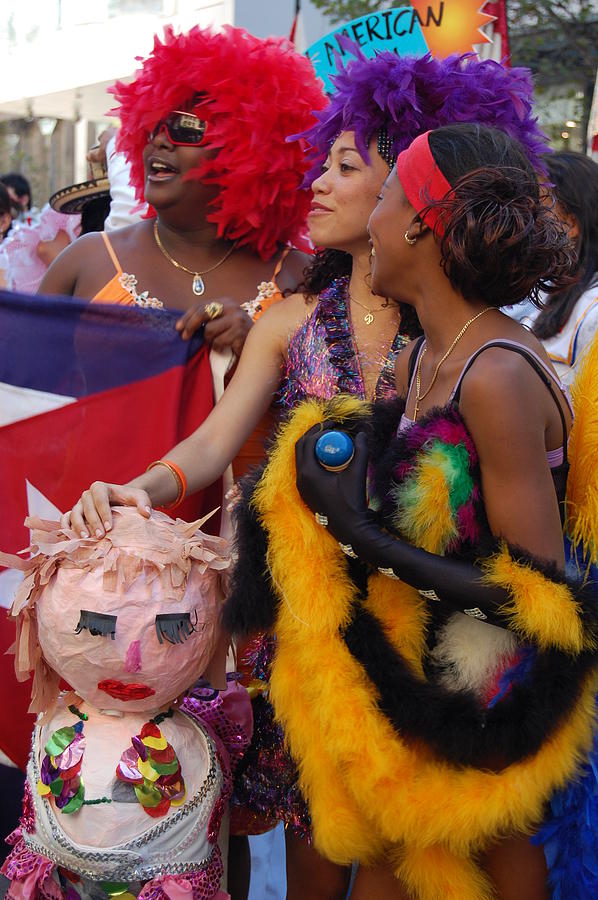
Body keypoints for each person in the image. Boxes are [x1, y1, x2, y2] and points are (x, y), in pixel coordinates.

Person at [62, 53, 553, 900]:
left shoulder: (462, 345)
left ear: (410, 202)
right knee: (314, 858)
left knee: (458, 852)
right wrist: (138, 491)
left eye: (347, 167)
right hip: (304, 645)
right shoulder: (296, 317)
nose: (315, 183)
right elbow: (214, 446)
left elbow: (537, 573)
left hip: (440, 660)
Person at [252, 122, 597, 898]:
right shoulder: (420, 358)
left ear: (416, 222)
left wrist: (361, 534)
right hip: (414, 702)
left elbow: (537, 599)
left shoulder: (496, 372)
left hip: (488, 738)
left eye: (383, 194)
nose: (369, 217)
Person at [38, 25, 325, 363]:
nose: (160, 141)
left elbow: (330, 409)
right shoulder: (85, 262)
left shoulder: (301, 277)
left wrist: (260, 351)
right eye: (152, 126)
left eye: (185, 128)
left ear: (249, 149)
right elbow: (22, 394)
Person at [530, 152, 598, 383]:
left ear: (570, 224)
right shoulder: (544, 286)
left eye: (539, 208)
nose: (528, 220)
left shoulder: (593, 311)